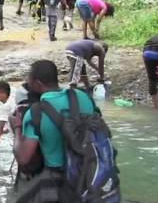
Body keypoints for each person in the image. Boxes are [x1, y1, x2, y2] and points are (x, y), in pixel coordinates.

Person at [10, 60, 96, 202]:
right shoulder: (83, 97)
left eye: (29, 80)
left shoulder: (35, 112)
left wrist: (17, 128)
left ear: (37, 84)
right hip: (89, 169)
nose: (27, 83)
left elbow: (23, 158)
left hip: (59, 177)